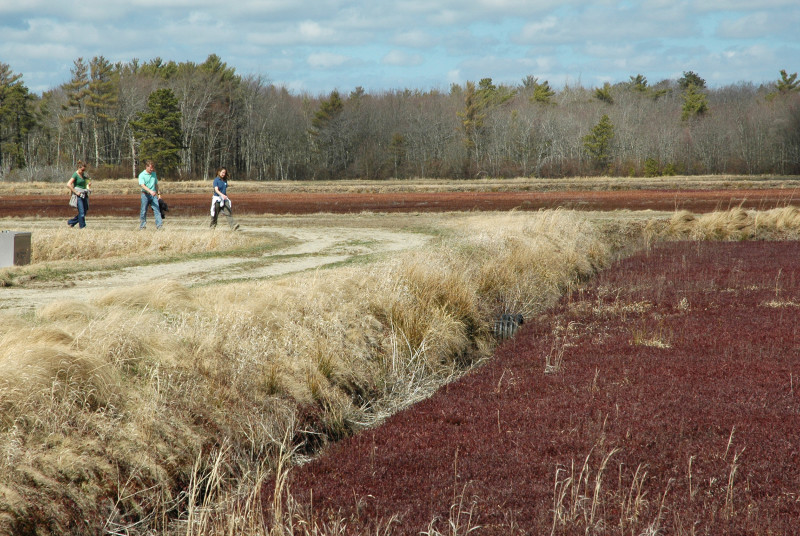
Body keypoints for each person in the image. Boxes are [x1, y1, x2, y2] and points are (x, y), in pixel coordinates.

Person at [138, 160, 163, 230]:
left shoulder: (154, 174)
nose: (151, 170)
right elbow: (142, 185)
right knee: (143, 210)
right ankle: (142, 226)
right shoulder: (142, 175)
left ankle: (159, 226)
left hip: (154, 195)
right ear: (146, 167)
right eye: (150, 168)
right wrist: (150, 191)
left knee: (157, 210)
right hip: (145, 195)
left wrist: (159, 194)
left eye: (152, 168)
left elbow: (156, 184)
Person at [67, 161, 91, 228]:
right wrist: (76, 192)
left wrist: (88, 186)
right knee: (82, 213)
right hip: (78, 196)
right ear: (78, 168)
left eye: (84, 170)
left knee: (84, 212)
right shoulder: (75, 175)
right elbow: (68, 184)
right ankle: (83, 227)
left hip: (84, 195)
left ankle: (71, 222)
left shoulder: (85, 175)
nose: (83, 171)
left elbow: (87, 186)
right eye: (82, 170)